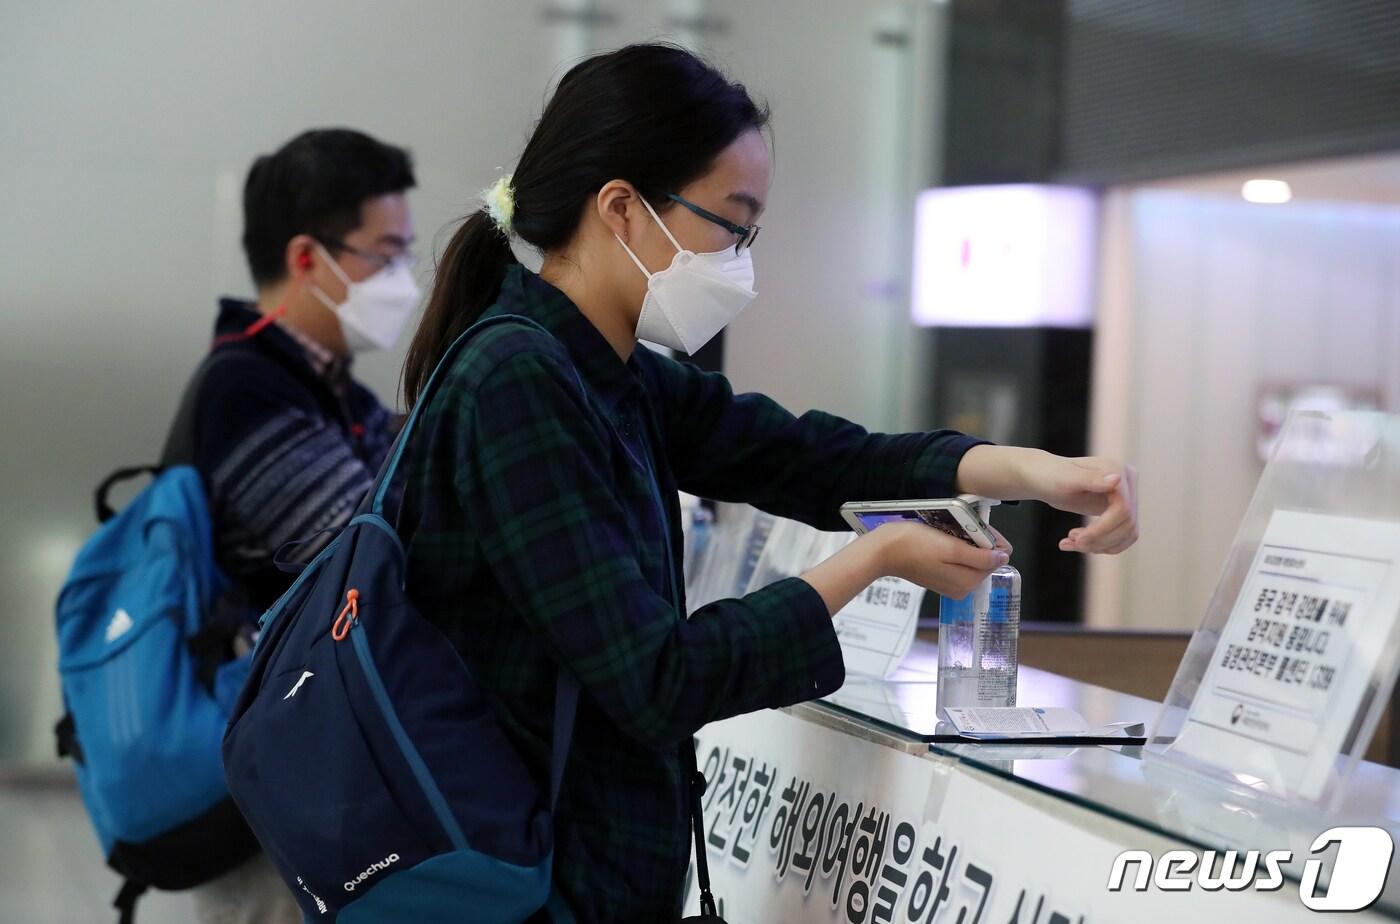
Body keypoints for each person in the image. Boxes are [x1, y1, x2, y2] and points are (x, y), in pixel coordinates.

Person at [397, 44, 1138, 922]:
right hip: (523, 882)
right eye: (731, 224)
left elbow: (805, 456)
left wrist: (1032, 471)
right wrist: (875, 559)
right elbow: (658, 680)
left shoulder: (603, 369)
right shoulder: (521, 382)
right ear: (623, 210)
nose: (741, 257)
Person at [189, 127, 418, 922]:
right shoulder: (245, 390)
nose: (404, 280)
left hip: (309, 789)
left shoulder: (336, 396)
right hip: (271, 813)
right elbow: (363, 556)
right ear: (305, 259)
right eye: (384, 254)